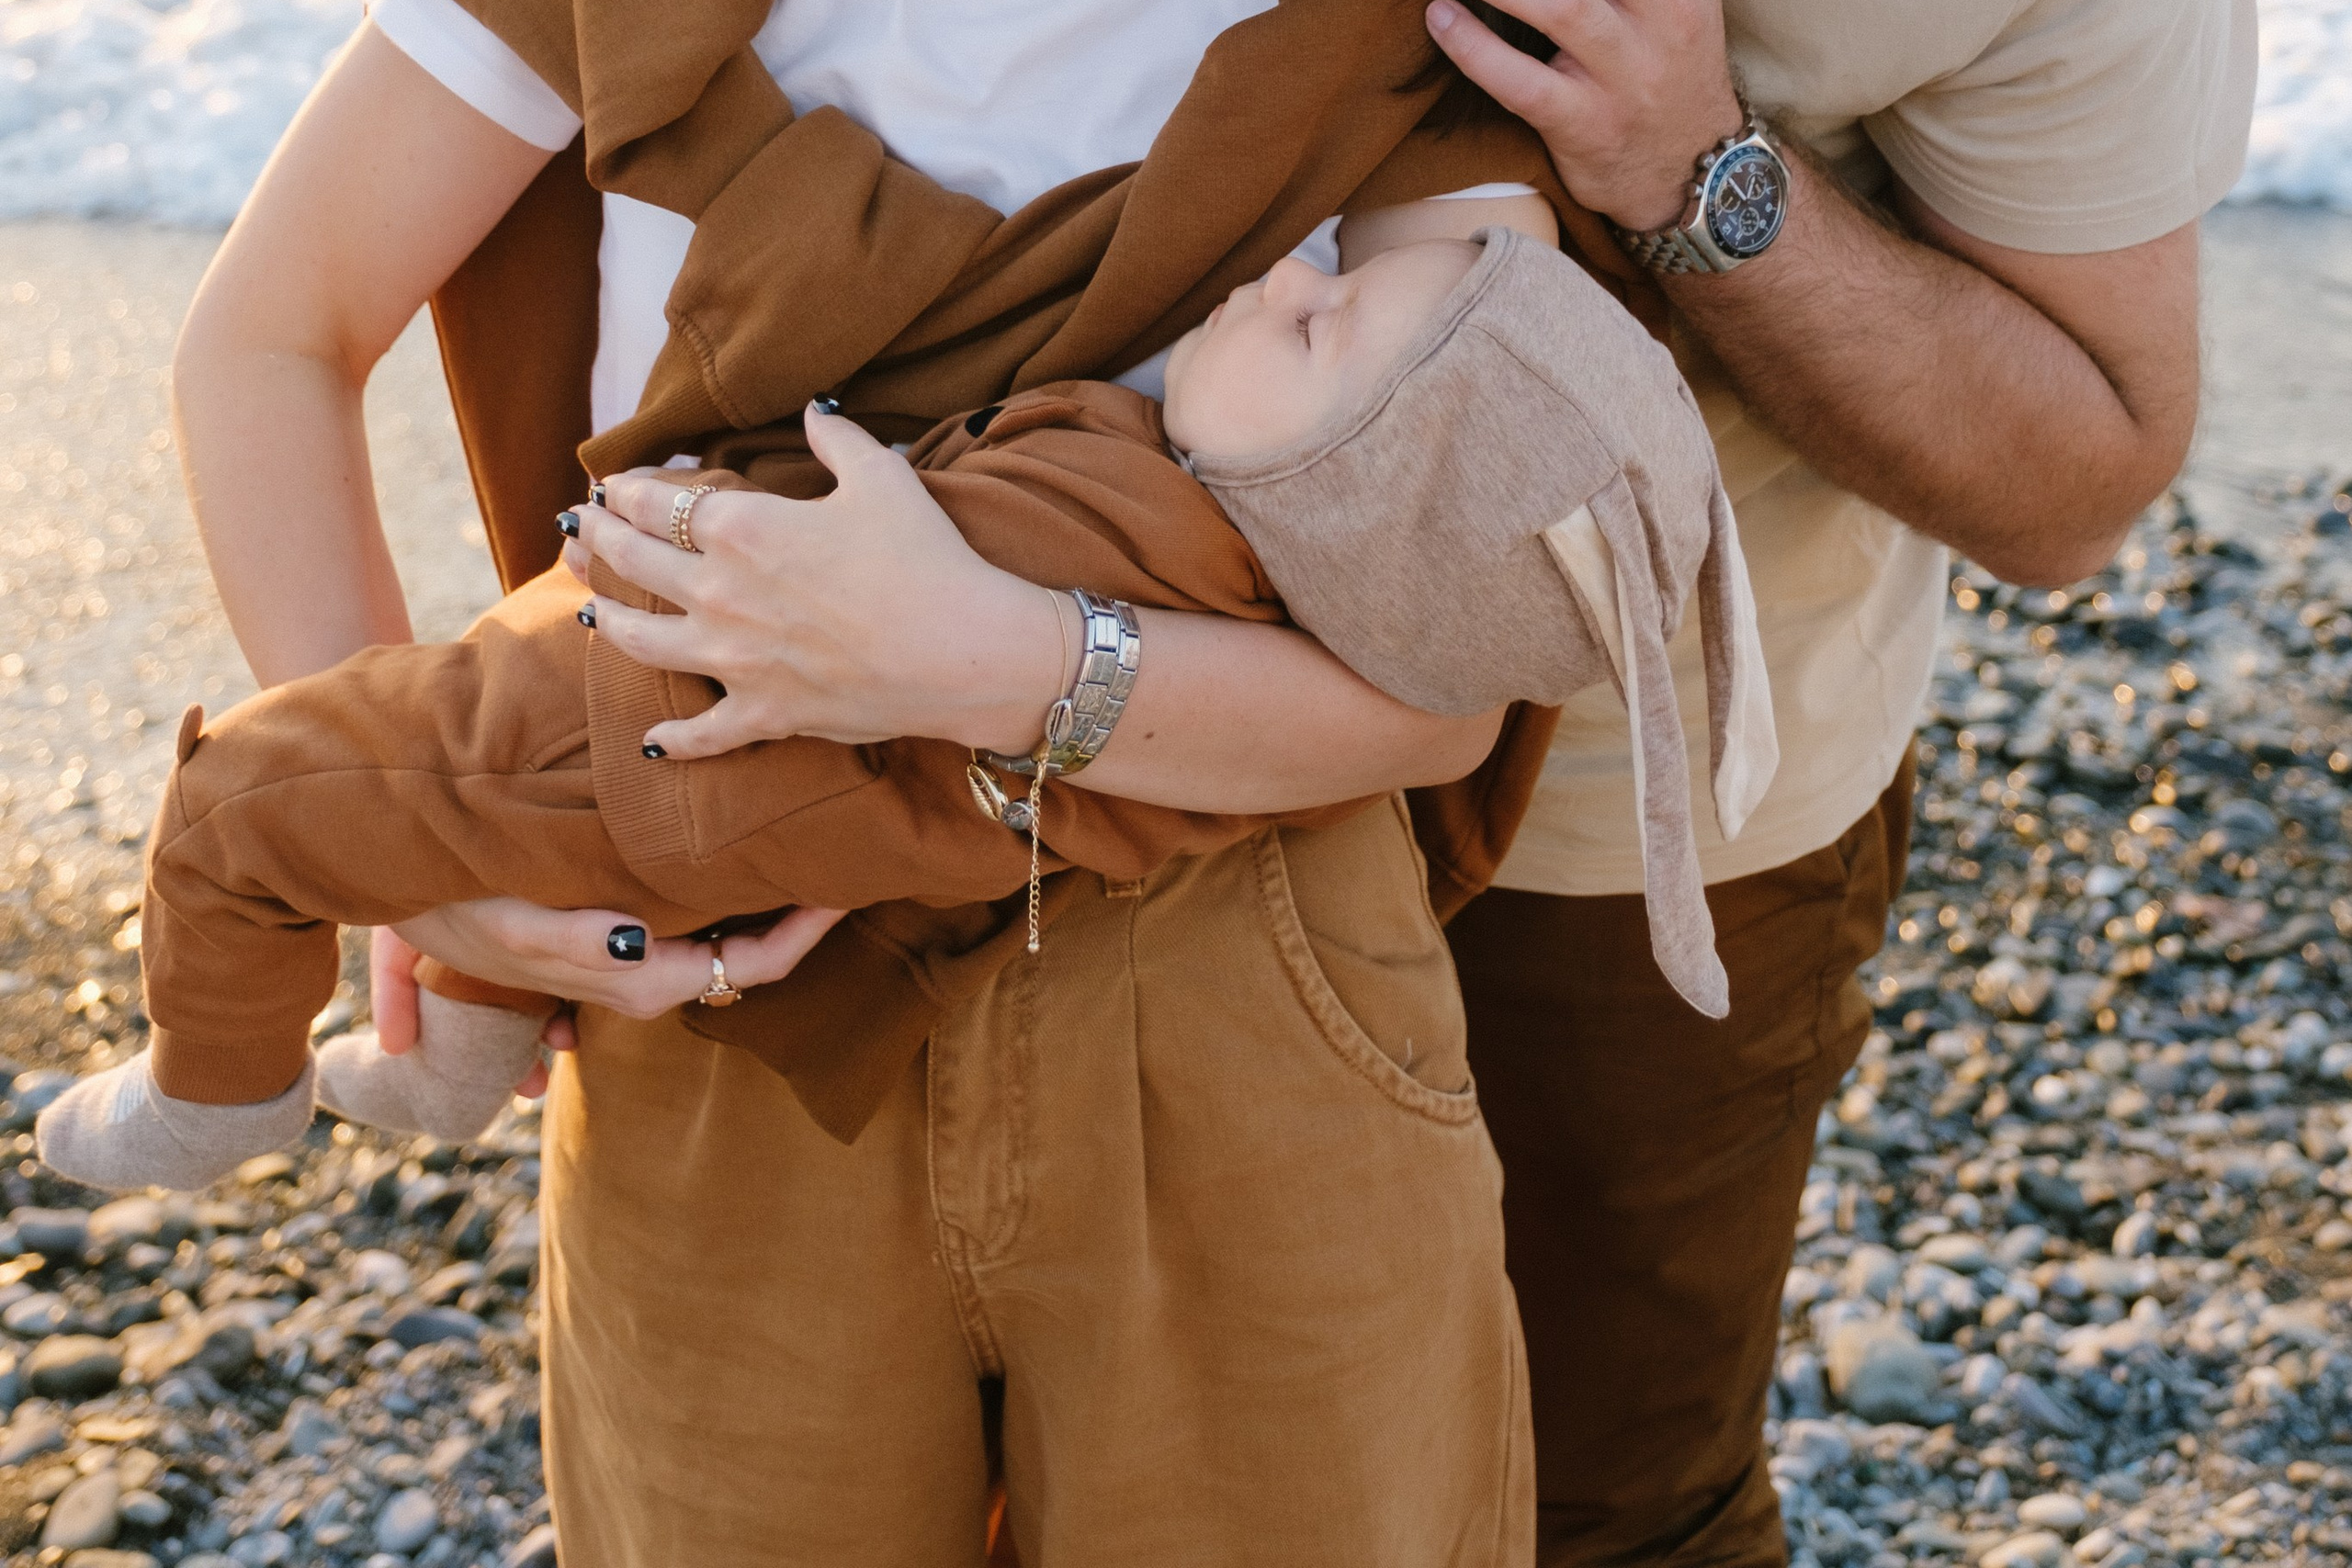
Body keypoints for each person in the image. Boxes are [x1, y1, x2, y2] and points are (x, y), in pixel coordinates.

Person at [158, 0, 1594, 1568]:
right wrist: (429, 866)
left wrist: (999, 659)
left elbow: (1447, 685)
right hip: (724, 1013)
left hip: (1243, 983)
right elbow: (269, 339)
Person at [1406, 0, 2257, 1565]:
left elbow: (2091, 474)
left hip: (1645, 833)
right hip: (1105, 734)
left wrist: (1707, 180)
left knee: (1602, 1507)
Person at [40, 210, 1776, 1190]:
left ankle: (218, 1087)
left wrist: (687, 514)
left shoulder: (1140, 532)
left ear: (1349, 501)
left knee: (249, 800)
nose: (1282, 276)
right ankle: (455, 1051)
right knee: (453, 804)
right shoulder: (1224, 613)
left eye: (1321, 333)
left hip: (655, 738)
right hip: (705, 803)